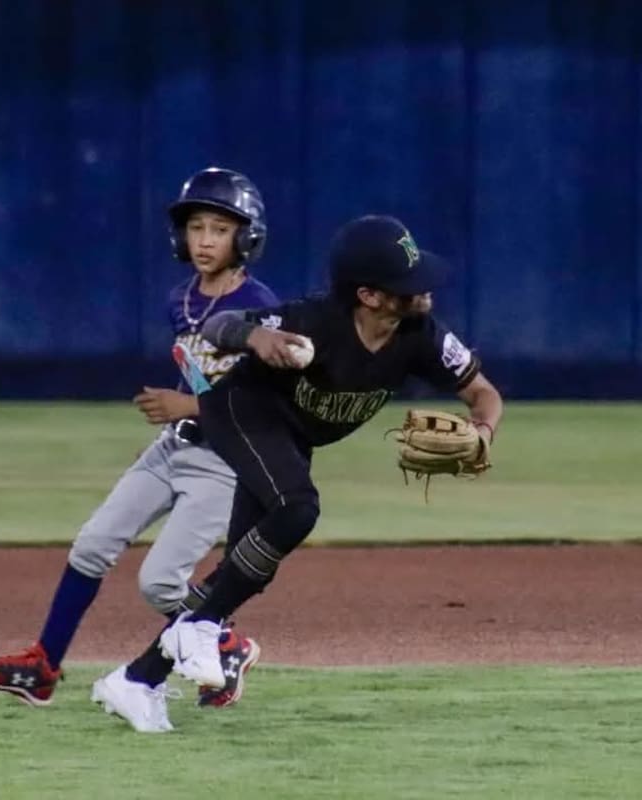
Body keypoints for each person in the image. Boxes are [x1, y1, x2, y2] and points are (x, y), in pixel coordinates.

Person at [91, 214, 503, 732]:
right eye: (408, 284)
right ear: (369, 295)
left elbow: (483, 394)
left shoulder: (420, 334)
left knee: (243, 573)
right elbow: (218, 328)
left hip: (291, 439)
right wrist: (255, 338)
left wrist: (483, 432)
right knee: (298, 508)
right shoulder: (313, 320)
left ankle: (138, 679)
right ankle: (196, 626)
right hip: (241, 413)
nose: (423, 292)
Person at [0, 167, 279, 711]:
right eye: (196, 226)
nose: (204, 239)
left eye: (220, 228)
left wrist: (188, 408)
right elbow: (204, 378)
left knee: (161, 584)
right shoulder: (180, 299)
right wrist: (175, 425)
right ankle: (43, 666)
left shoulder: (262, 306)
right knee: (91, 545)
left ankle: (225, 644)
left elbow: (262, 404)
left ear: (245, 237)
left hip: (225, 465)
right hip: (175, 449)